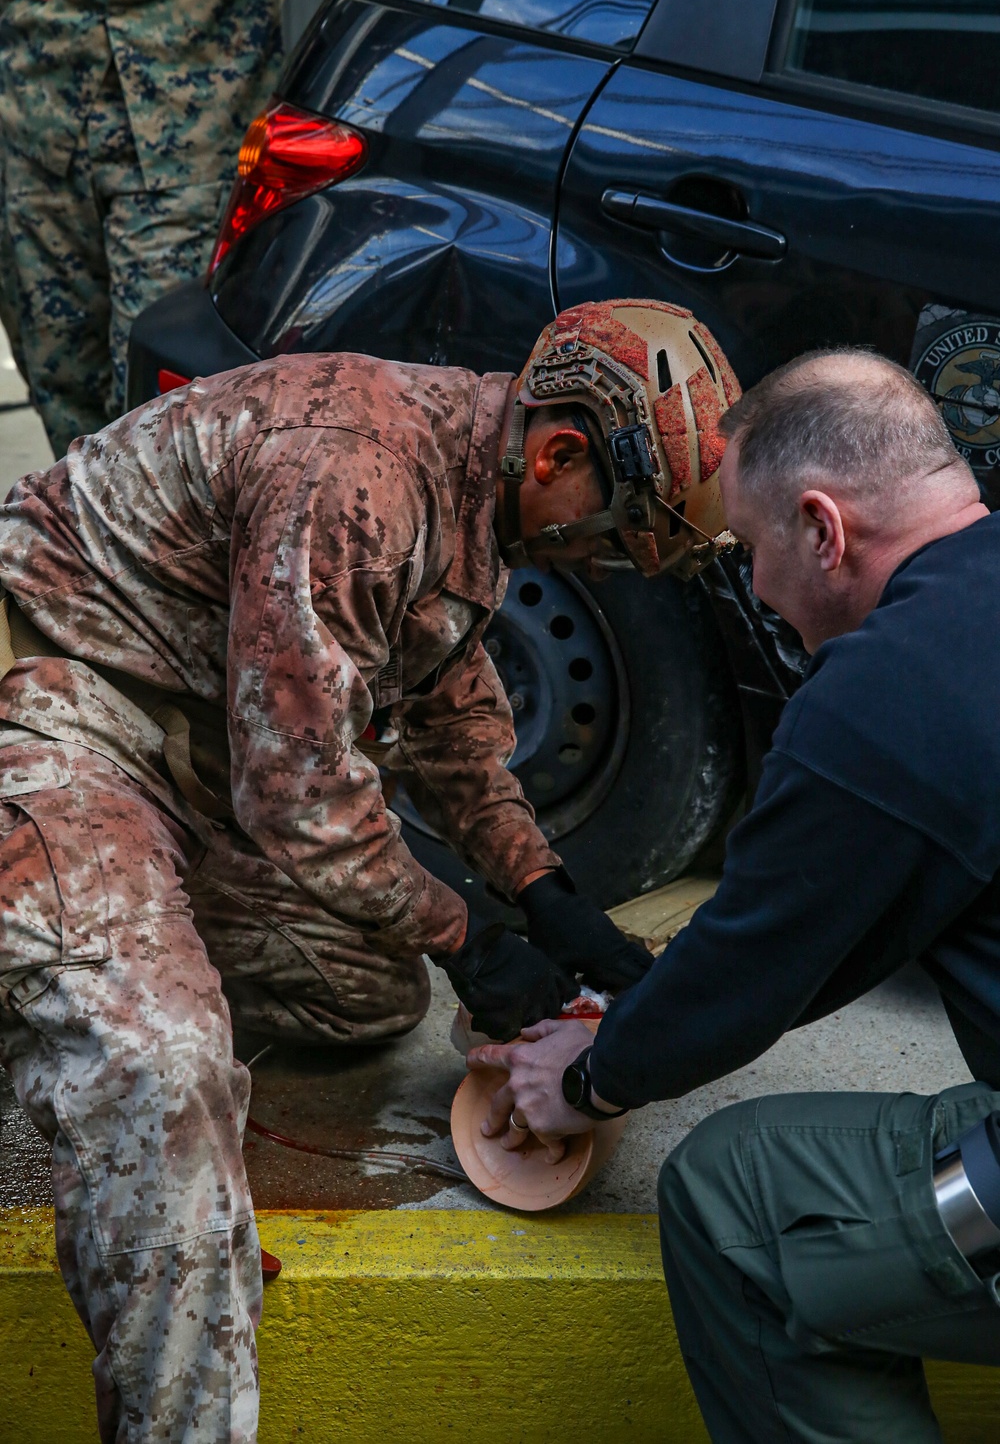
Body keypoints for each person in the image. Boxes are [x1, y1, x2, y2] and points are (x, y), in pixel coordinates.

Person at [0, 299, 732, 1440]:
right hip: (60, 714)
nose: (595, 563)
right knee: (162, 1068)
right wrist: (468, 940)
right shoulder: (356, 477)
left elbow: (450, 719)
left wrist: (549, 902)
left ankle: (81, 953)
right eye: (603, 537)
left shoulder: (469, 473)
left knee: (364, 988)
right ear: (559, 453)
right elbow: (298, 797)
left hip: (194, 753)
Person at [474, 348, 1000, 1443]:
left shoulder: (886, 695)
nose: (755, 587)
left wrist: (594, 1078)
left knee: (736, 1203)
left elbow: (761, 968)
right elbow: (830, 930)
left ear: (821, 528)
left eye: (752, 549)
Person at [0, 0, 284, 457]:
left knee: (161, 406)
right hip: (41, 117)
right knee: (60, 372)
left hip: (187, 123)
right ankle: (84, 526)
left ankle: (147, 533)